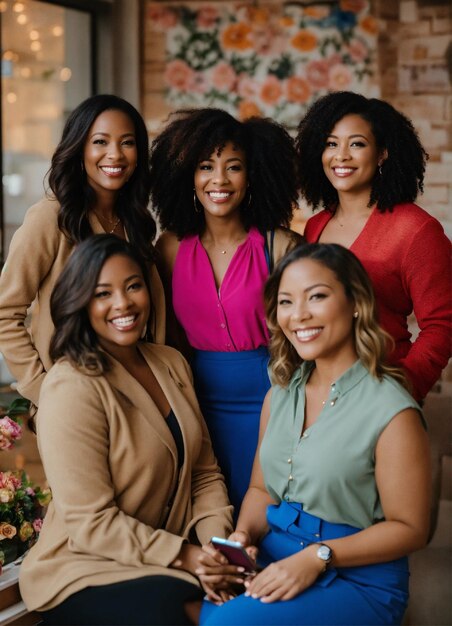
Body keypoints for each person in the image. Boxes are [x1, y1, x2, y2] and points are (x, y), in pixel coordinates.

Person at [196, 243, 431, 626]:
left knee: (225, 623)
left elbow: (410, 529)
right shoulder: (279, 395)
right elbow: (261, 491)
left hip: (358, 578)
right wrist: (241, 538)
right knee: (188, 599)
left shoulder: (393, 411)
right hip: (276, 555)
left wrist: (318, 556)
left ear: (357, 302)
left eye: (317, 297)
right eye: (286, 302)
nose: (298, 315)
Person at [19, 235, 233, 626]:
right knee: (191, 612)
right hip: (83, 567)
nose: (123, 304)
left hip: (160, 555)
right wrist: (188, 557)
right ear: (80, 302)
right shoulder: (71, 386)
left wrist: (216, 548)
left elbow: (205, 475)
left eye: (133, 286)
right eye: (103, 293)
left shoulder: (170, 362)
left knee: (244, 600)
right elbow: (91, 524)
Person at [151, 108, 303, 514]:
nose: (219, 180)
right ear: (188, 176)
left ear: (251, 176)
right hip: (195, 403)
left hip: (274, 398)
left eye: (233, 167)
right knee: (210, 512)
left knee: (270, 514)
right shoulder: (168, 249)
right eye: (206, 167)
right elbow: (164, 335)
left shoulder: (282, 246)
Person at [0, 94, 165, 411]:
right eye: (100, 142)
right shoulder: (51, 217)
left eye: (127, 143)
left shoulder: (135, 221)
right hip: (75, 399)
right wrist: (44, 390)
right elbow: (6, 311)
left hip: (137, 394)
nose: (115, 154)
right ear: (79, 149)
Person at [295, 91, 452, 403]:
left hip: (380, 394)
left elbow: (443, 324)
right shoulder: (314, 226)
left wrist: (401, 388)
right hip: (318, 394)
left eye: (357, 143)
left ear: (382, 153)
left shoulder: (415, 229)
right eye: (330, 143)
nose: (341, 155)